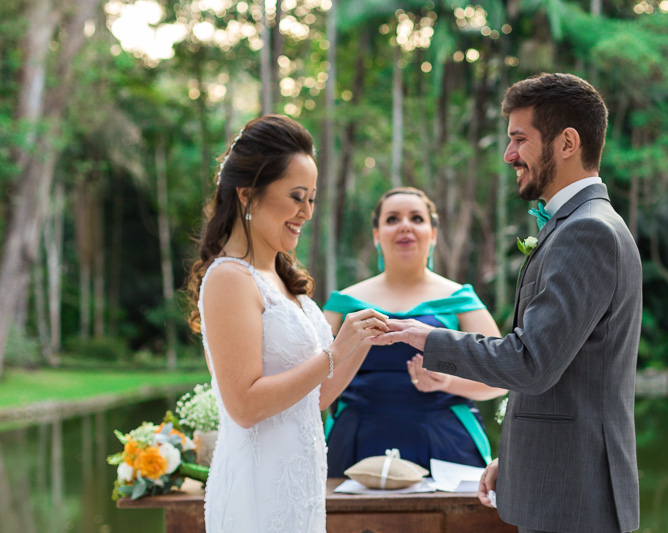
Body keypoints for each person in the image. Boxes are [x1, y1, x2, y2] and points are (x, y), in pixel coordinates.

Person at [372, 74, 642, 533]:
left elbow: (531, 362)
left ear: (567, 143)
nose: (508, 154)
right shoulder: (580, 224)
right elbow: (564, 374)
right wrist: (516, 461)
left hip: (574, 501)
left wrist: (428, 337)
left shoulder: (587, 231)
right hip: (559, 484)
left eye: (519, 139)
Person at [185, 115, 389, 532]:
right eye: (297, 196)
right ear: (248, 195)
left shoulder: (282, 279)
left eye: (312, 198)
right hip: (256, 492)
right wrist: (335, 350)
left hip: (299, 490)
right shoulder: (229, 278)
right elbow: (243, 406)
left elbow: (313, 399)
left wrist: (359, 343)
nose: (306, 212)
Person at [322, 187, 506, 476]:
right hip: (354, 443)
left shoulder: (461, 300)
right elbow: (311, 380)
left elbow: (501, 377)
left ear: (432, 234)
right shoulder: (342, 304)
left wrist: (446, 382)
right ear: (376, 235)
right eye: (393, 219)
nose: (405, 225)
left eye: (417, 218)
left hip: (448, 445)